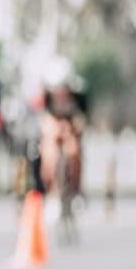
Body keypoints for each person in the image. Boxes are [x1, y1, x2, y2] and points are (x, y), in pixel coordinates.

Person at [38, 56, 88, 196]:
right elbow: (44, 121)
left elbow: (81, 121)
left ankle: (75, 189)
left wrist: (73, 128)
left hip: (70, 131)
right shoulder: (47, 98)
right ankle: (51, 188)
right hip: (52, 130)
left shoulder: (78, 98)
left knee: (74, 151)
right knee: (49, 153)